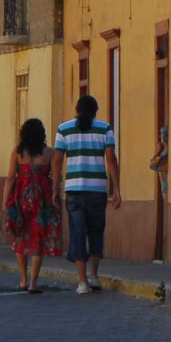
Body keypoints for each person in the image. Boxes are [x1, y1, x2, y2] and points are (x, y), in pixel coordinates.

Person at [56, 95, 121, 294]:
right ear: (95, 112)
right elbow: (111, 159)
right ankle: (94, 275)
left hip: (73, 190)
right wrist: (116, 188)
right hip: (97, 189)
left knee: (77, 232)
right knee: (95, 231)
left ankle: (82, 281)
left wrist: (54, 187)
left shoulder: (63, 129)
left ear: (77, 110)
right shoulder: (105, 129)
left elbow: (57, 161)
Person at [4, 119, 62, 293]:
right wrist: (55, 196)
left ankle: (23, 279)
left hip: (21, 197)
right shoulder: (50, 153)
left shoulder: (17, 153)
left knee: (21, 236)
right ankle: (33, 283)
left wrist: (5, 200)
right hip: (42, 199)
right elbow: (56, 178)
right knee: (39, 238)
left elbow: (10, 178)